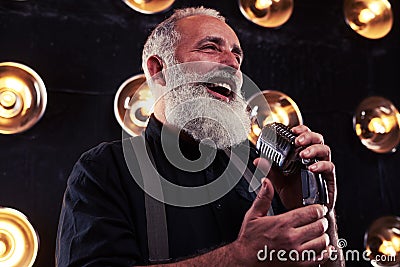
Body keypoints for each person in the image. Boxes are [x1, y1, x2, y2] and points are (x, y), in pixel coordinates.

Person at [56, 6, 344, 267]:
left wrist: (317, 211)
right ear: (159, 71)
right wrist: (239, 258)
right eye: (210, 48)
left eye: (237, 55)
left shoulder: (262, 166)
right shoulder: (105, 169)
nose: (232, 64)